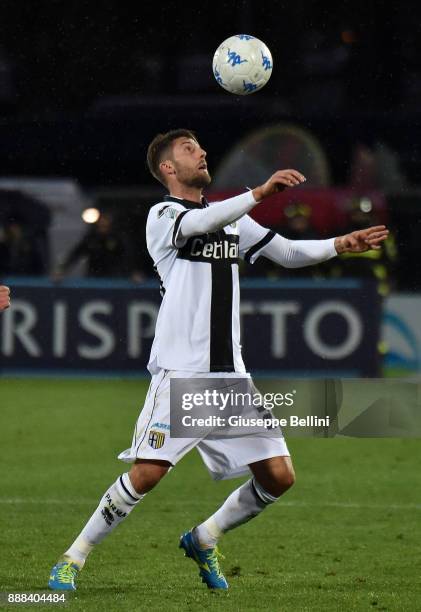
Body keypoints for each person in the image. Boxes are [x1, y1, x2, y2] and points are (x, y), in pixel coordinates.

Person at [48, 129, 388, 592]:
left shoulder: (230, 218)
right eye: (189, 149)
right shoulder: (163, 214)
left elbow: (286, 252)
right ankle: (74, 557)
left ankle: (204, 538)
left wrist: (341, 244)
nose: (201, 152)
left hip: (231, 378)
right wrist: (260, 193)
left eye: (200, 146)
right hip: (182, 373)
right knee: (147, 473)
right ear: (168, 168)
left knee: (279, 477)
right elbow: (194, 228)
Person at [54, 212, 143, 280]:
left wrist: (133, 272)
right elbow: (76, 254)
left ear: (110, 225)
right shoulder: (91, 238)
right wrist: (62, 269)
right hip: (94, 277)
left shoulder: (117, 238)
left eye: (105, 225)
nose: (103, 226)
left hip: (114, 278)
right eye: (101, 224)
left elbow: (128, 256)